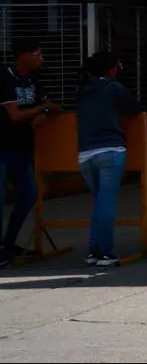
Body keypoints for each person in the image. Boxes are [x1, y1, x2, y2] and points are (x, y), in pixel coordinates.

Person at [0, 37, 61, 267]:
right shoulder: (5, 77)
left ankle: (8, 244)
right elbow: (14, 116)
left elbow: (54, 106)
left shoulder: (35, 78)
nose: (41, 58)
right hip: (3, 146)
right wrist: (40, 108)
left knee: (28, 195)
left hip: (22, 147)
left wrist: (43, 112)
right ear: (23, 55)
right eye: (37, 53)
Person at [76, 52, 141, 267]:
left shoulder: (83, 90)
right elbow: (133, 108)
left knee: (99, 202)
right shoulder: (114, 88)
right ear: (113, 69)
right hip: (110, 149)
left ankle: (93, 251)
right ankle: (104, 252)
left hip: (85, 154)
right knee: (107, 202)